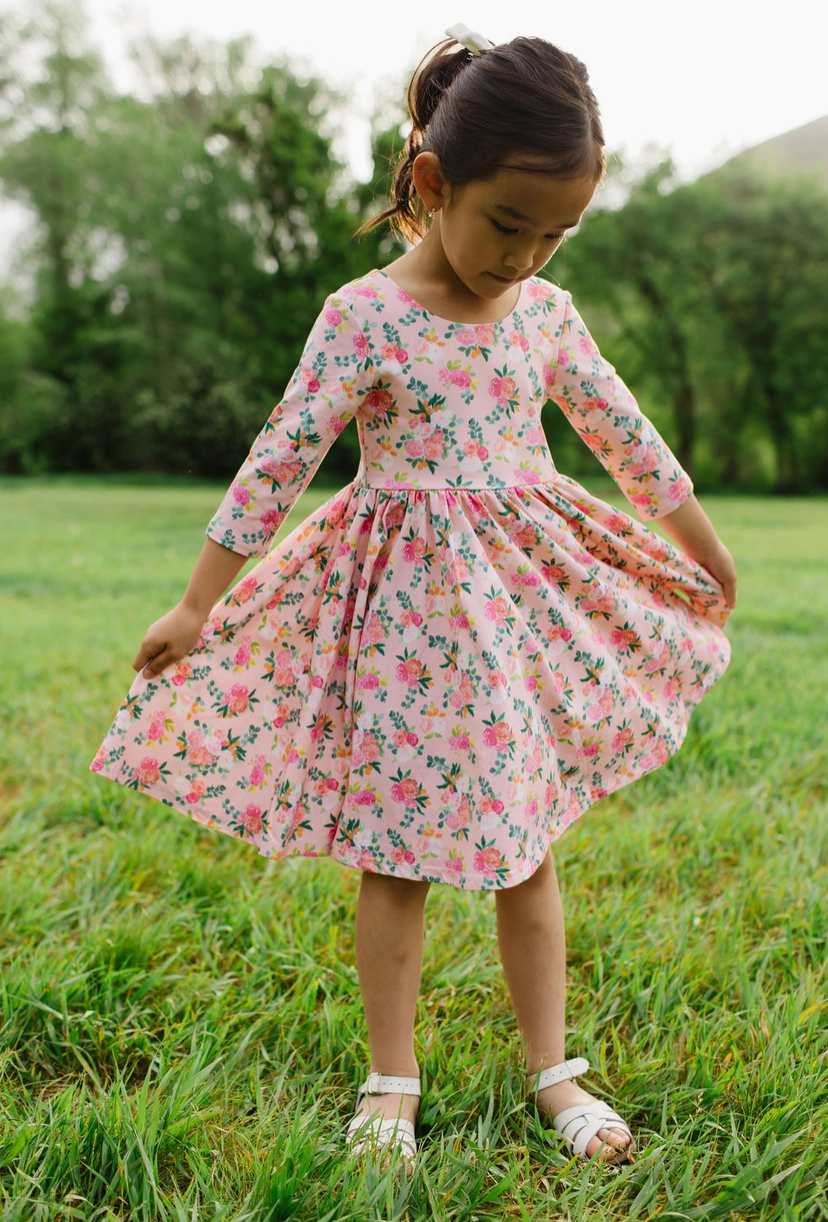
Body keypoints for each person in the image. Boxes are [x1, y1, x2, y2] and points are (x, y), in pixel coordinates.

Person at [91, 23, 737, 1173]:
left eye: (557, 233)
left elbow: (624, 438)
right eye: (508, 225)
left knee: (524, 838)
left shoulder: (545, 315)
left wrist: (700, 546)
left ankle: (556, 1070)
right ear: (433, 184)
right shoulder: (365, 316)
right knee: (395, 853)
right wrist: (196, 606)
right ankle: (391, 1080)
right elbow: (278, 461)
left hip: (520, 609)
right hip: (399, 624)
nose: (528, 256)